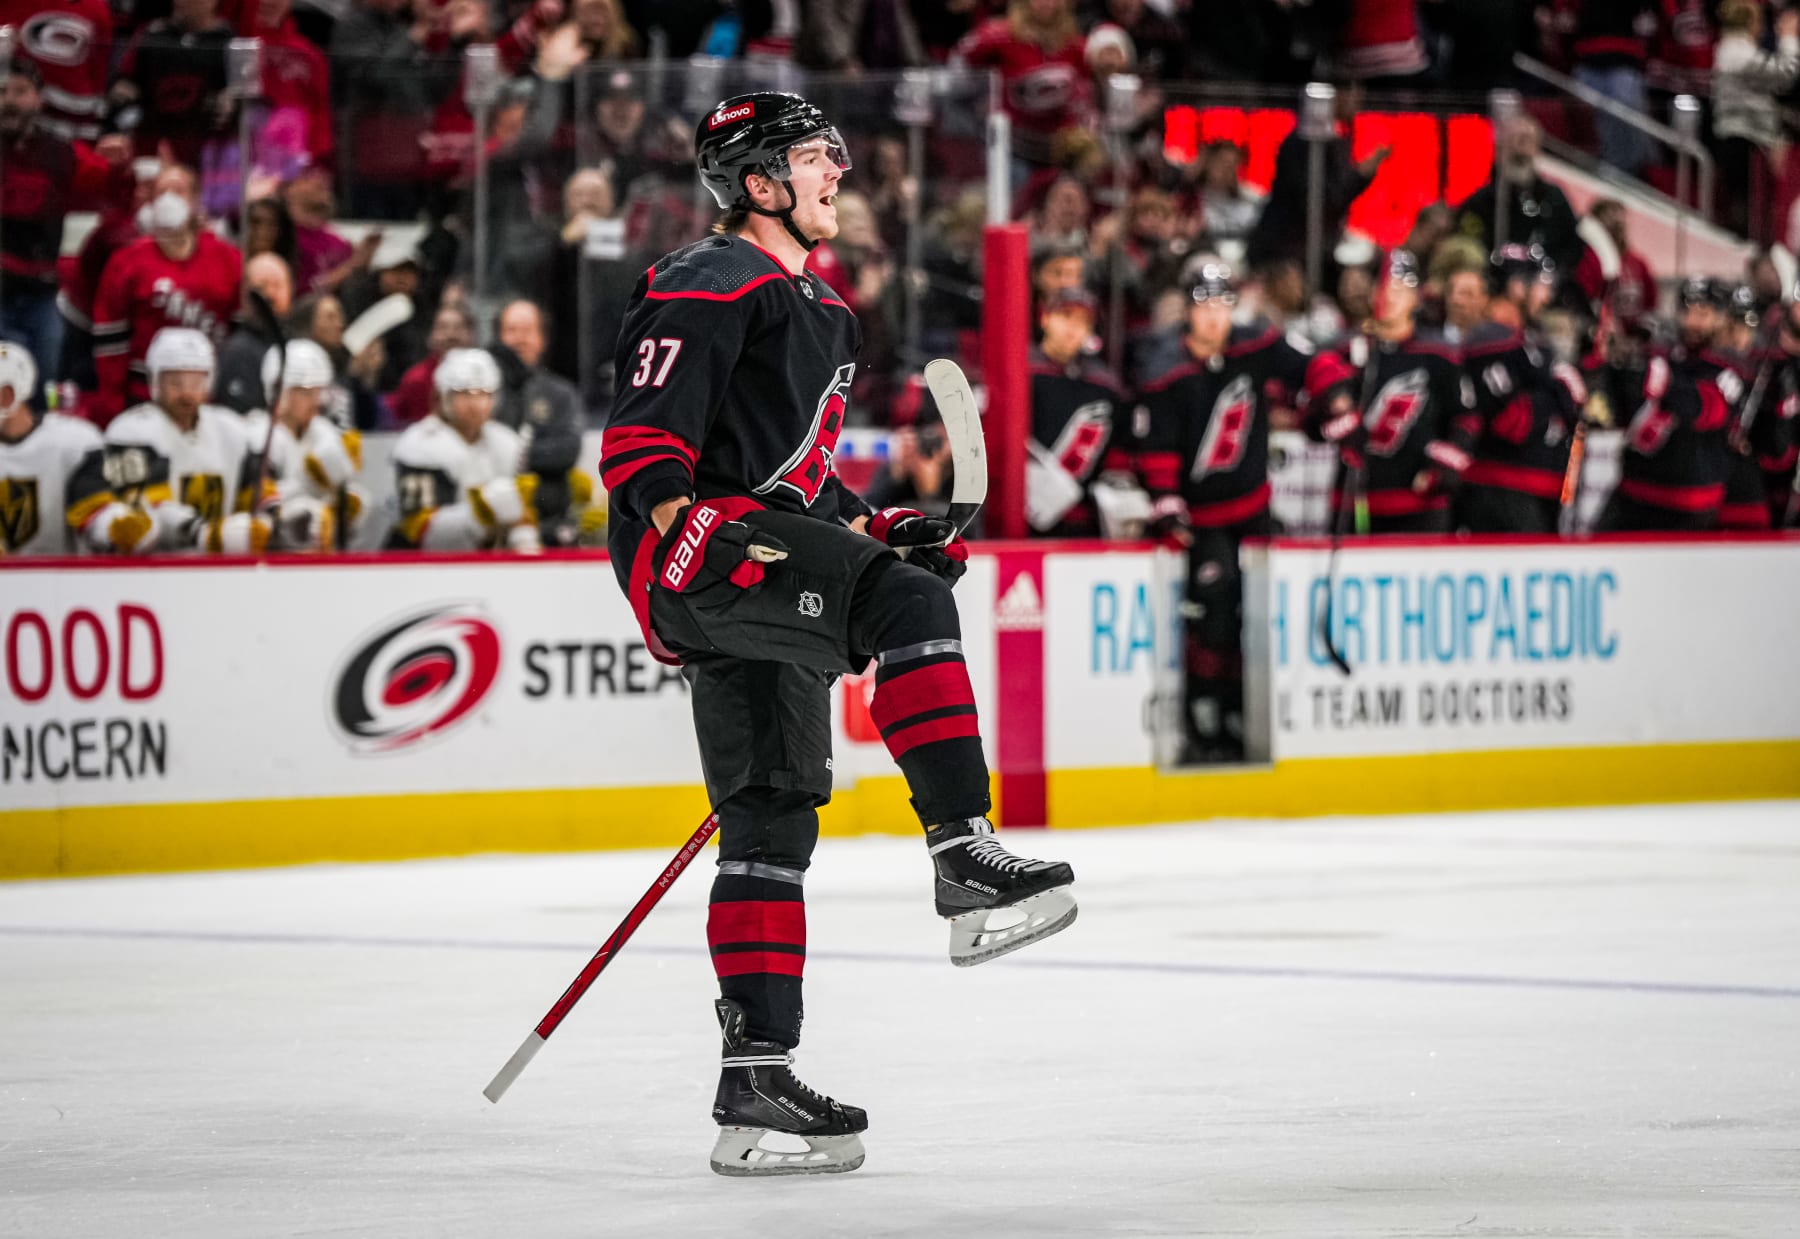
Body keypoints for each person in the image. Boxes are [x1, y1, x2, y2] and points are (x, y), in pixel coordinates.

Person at [596, 92, 1077, 1178]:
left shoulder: (821, 310)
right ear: (759, 183)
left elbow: (800, 482)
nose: (837, 177)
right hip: (706, 552)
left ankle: (755, 1086)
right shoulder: (710, 275)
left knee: (769, 821)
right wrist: (695, 553)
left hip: (747, 546)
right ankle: (962, 851)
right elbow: (642, 446)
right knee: (905, 610)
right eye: (817, 161)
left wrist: (879, 527)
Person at [1134, 262, 1351, 762]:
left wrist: (1338, 403)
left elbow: (1313, 364)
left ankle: (1237, 708)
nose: (1214, 317)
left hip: (1253, 509)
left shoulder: (1254, 344)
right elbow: (1158, 447)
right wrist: (1168, 505)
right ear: (1189, 310)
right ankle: (1204, 710)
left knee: (1257, 617)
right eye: (1205, 306)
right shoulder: (1166, 368)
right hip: (1202, 519)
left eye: (1223, 305)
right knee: (1212, 612)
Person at [1310, 249, 1479, 534]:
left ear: (1416, 296)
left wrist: (1444, 466)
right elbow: (1311, 421)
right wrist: (1340, 421)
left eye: (1401, 288)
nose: (1390, 296)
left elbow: (1466, 417)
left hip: (1419, 506)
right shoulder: (1345, 352)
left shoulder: (1438, 354)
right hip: (1356, 501)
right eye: (1384, 286)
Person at [91, 164, 243, 424]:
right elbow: (110, 340)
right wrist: (114, 404)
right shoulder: (127, 261)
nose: (169, 198)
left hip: (208, 393)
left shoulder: (227, 258)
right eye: (162, 191)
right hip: (144, 393)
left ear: (195, 200)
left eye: (179, 190)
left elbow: (239, 332)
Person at [91, 327, 264, 553]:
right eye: (175, 384)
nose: (186, 394)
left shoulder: (231, 429)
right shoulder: (130, 432)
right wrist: (204, 534)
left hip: (220, 569)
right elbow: (145, 510)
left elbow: (256, 492)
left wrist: (273, 517)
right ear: (155, 382)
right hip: (154, 572)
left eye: (195, 384)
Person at [1595, 278, 1738, 531]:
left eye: (1703, 313)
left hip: (1690, 507)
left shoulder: (1731, 368)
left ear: (1721, 318)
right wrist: (1617, 366)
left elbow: (1703, 412)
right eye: (1688, 311)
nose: (1692, 321)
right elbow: (1620, 409)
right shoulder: (1661, 357)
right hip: (1633, 494)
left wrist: (1664, 385)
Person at [1457, 246, 1583, 534]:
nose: (1547, 296)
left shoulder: (1524, 340)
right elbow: (1515, 423)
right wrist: (1560, 388)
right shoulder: (1491, 343)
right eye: (1542, 285)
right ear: (1517, 286)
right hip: (1504, 491)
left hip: (1534, 490)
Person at [389, 347, 541, 552]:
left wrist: (524, 539)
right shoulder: (418, 444)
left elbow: (521, 514)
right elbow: (416, 531)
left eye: (483, 394)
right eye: (465, 394)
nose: (475, 404)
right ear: (444, 396)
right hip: (429, 570)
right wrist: (479, 515)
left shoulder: (507, 442)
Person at [1024, 286, 1130, 536]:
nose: (1072, 329)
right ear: (1045, 317)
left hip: (1078, 520)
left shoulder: (1105, 386)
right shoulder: (1021, 371)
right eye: (1065, 316)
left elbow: (1119, 446)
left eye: (1083, 322)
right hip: (1018, 512)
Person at [242, 339, 366, 550]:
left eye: (319, 392)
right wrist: (309, 481)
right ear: (280, 392)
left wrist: (344, 505)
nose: (315, 401)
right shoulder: (257, 435)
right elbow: (259, 505)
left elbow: (336, 504)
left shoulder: (324, 431)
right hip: (274, 554)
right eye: (306, 393)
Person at [0, 340, 110, 554]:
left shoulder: (71, 442)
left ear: (8, 395)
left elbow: (94, 513)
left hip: (61, 582)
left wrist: (114, 525)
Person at [490, 299, 584, 545]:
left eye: (527, 331)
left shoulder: (560, 392)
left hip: (550, 520)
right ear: (498, 337)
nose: (520, 339)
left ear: (542, 339)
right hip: (491, 522)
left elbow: (567, 450)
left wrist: (514, 455)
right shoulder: (486, 392)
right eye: (511, 330)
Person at [1452, 117, 1581, 277]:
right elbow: (1464, 248)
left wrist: (1549, 280)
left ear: (1537, 148)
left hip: (1539, 286)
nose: (1521, 148)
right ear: (1500, 147)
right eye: (1516, 140)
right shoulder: (1481, 202)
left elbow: (1572, 248)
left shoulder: (1553, 198)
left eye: (1528, 140)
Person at [213, 253, 295, 413]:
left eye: (277, 285)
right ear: (244, 295)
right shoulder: (236, 352)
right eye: (261, 287)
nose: (270, 295)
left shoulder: (299, 345)